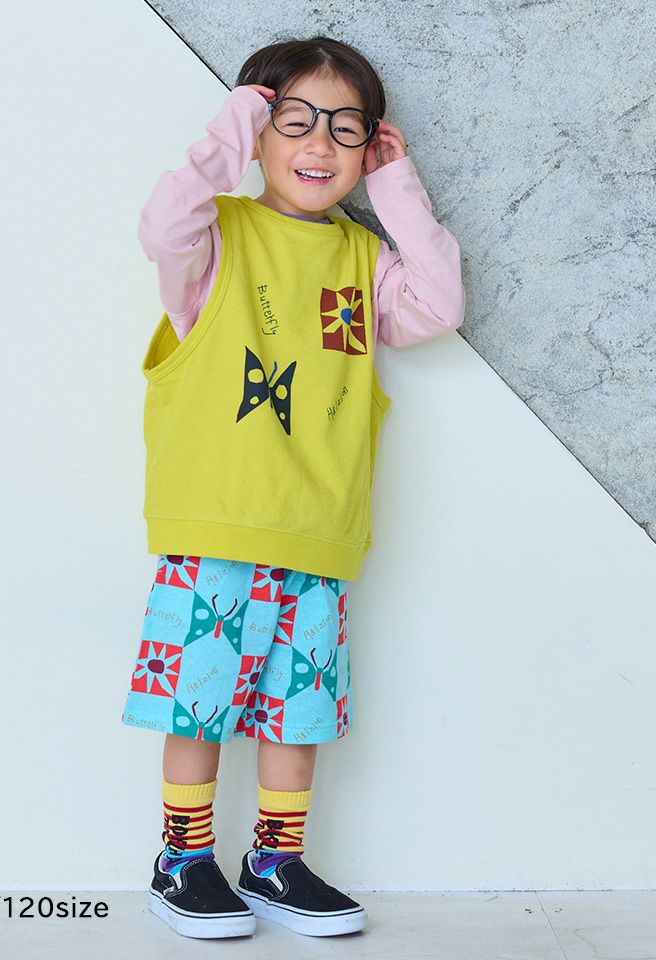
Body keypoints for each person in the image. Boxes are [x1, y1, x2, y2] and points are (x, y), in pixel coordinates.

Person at [121, 34, 465, 940]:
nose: (319, 144)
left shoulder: (362, 260)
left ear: (369, 145)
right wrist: (234, 119)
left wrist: (396, 188)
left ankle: (275, 860)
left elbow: (439, 305)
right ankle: (182, 857)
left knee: (296, 711)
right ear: (259, 132)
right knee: (198, 701)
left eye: (345, 128)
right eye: (294, 120)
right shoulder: (216, 238)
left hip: (318, 531)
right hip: (216, 525)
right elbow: (162, 225)